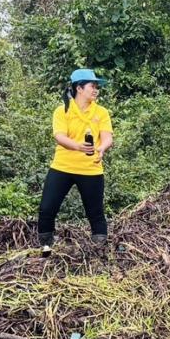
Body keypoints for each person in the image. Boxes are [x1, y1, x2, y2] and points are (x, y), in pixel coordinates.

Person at [38, 68, 114, 254]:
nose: (96, 90)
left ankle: (100, 252)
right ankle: (45, 248)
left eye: (97, 86)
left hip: (91, 169)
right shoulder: (62, 110)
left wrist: (102, 148)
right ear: (79, 88)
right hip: (62, 167)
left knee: (95, 213)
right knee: (47, 208)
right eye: (92, 86)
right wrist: (78, 147)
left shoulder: (101, 112)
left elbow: (107, 137)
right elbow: (59, 137)